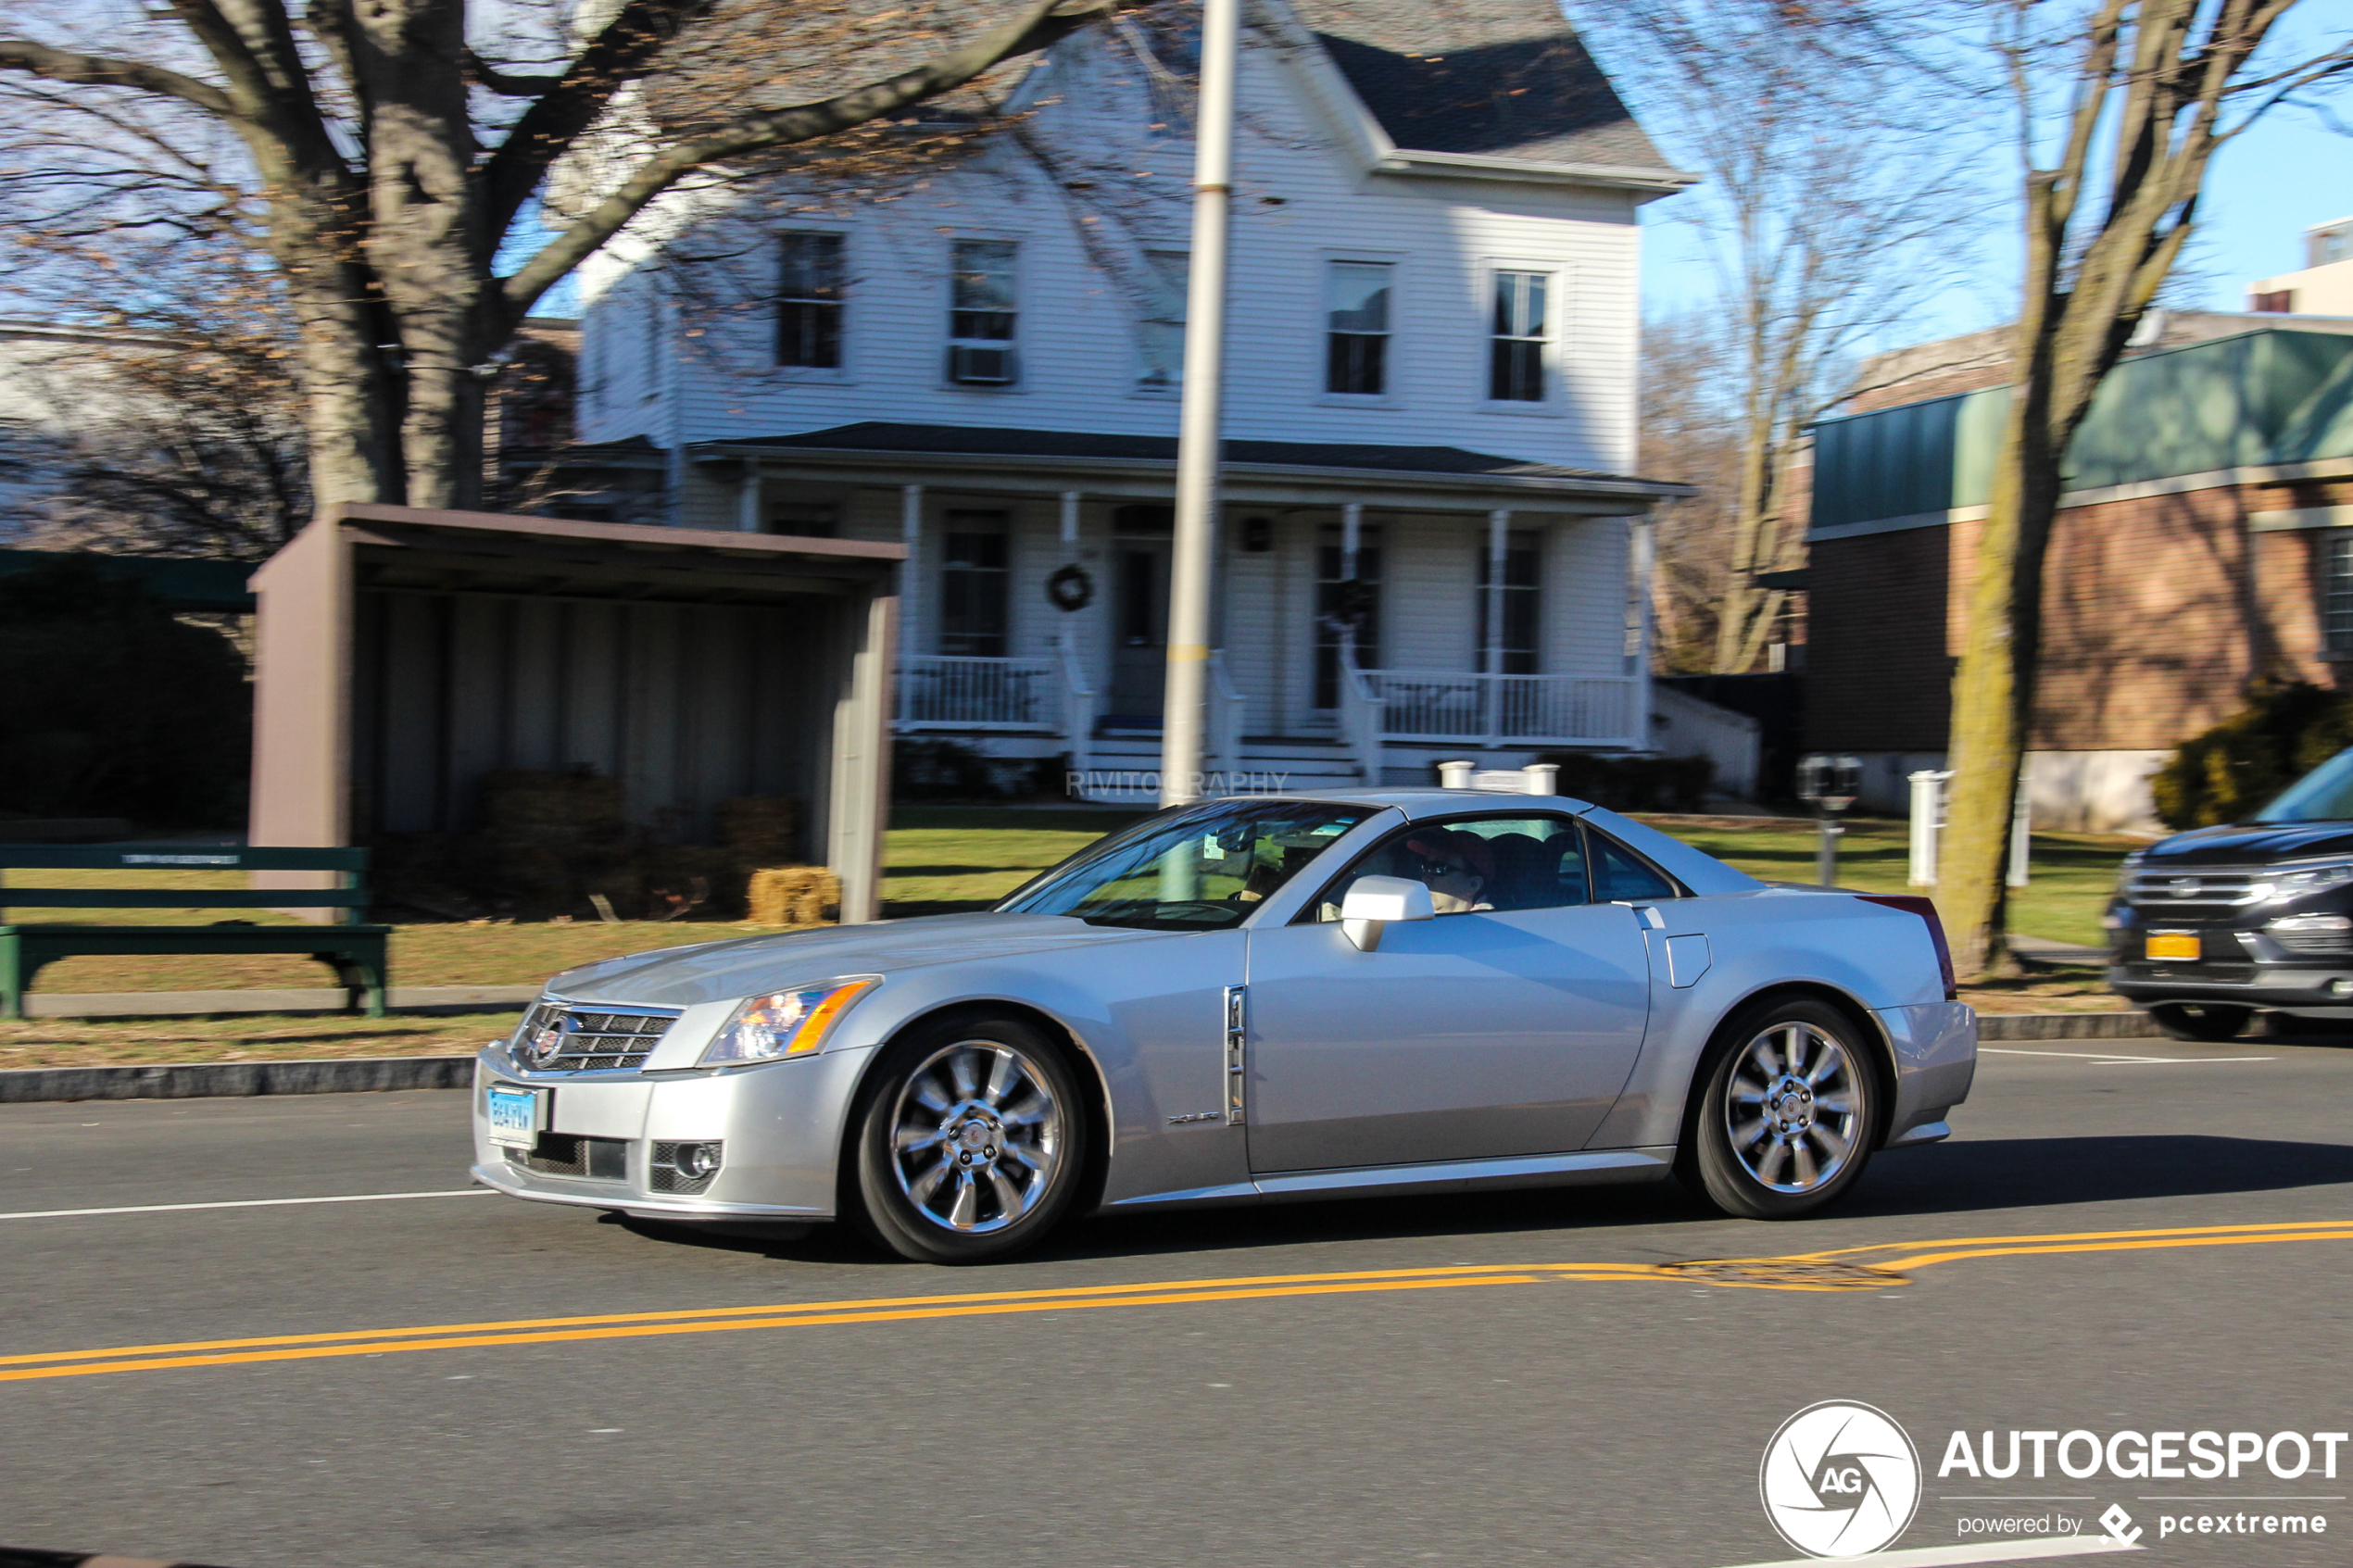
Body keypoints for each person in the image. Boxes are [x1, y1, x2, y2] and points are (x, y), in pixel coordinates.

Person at [1402, 830, 1493, 914]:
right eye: (1425, 866)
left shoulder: (1484, 928)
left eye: (1438, 868)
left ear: (1473, 885)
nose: (1425, 878)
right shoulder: (1411, 917)